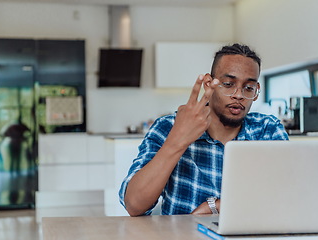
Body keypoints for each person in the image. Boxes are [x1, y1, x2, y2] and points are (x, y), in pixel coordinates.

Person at [119, 43, 289, 217]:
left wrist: (215, 206)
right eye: (229, 84)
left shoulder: (268, 130)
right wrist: (178, 139)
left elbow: (288, 194)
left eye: (248, 87)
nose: (238, 95)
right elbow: (134, 205)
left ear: (257, 90)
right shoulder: (168, 127)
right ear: (209, 83)